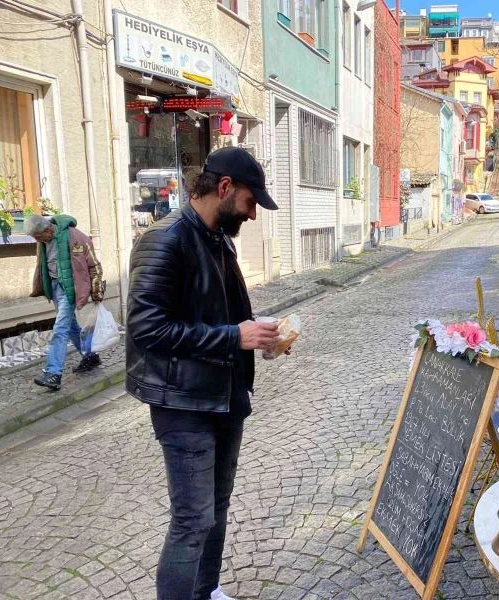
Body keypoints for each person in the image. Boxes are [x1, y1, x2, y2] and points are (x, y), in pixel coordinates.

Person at [125, 147, 281, 600]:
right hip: (182, 402)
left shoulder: (218, 238)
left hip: (225, 395)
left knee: (216, 508)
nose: (253, 216)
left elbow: (226, 316)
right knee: (193, 519)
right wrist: (235, 338)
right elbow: (147, 329)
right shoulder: (166, 238)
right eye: (251, 203)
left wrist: (262, 338)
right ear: (225, 188)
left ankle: (206, 591)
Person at [27, 214, 104, 391]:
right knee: (71, 327)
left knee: (60, 329)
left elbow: (93, 264)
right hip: (55, 287)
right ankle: (90, 355)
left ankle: (53, 373)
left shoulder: (74, 236)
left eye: (39, 236)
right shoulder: (43, 241)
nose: (38, 241)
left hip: (70, 289)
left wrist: (96, 289)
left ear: (48, 229)